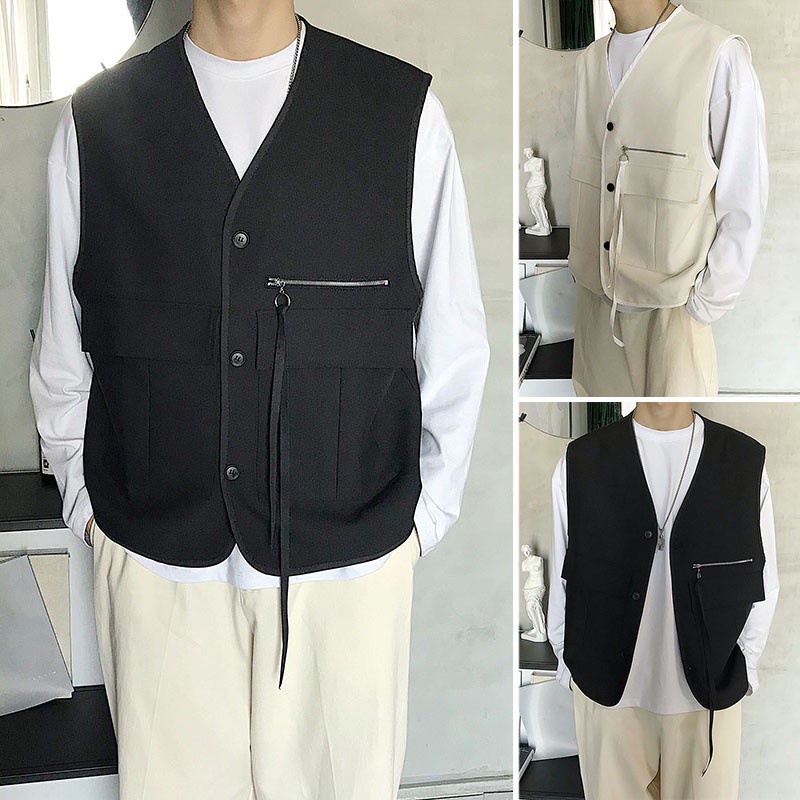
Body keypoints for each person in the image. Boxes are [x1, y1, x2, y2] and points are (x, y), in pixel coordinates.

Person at [29, 1, 490, 797]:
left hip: (347, 579)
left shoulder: (401, 112)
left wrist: (418, 527)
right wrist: (89, 509)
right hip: (155, 571)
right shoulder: (96, 124)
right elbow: (61, 350)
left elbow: (453, 345)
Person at [548, 403, 779, 799]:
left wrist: (745, 666)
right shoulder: (581, 461)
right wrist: (570, 666)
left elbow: (764, 580)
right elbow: (562, 577)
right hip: (606, 699)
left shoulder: (743, 461)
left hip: (708, 702)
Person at [568, 0, 768, 396]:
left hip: (673, 318)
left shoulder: (718, 55)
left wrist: (703, 307)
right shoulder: (589, 62)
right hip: (594, 311)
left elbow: (744, 199)